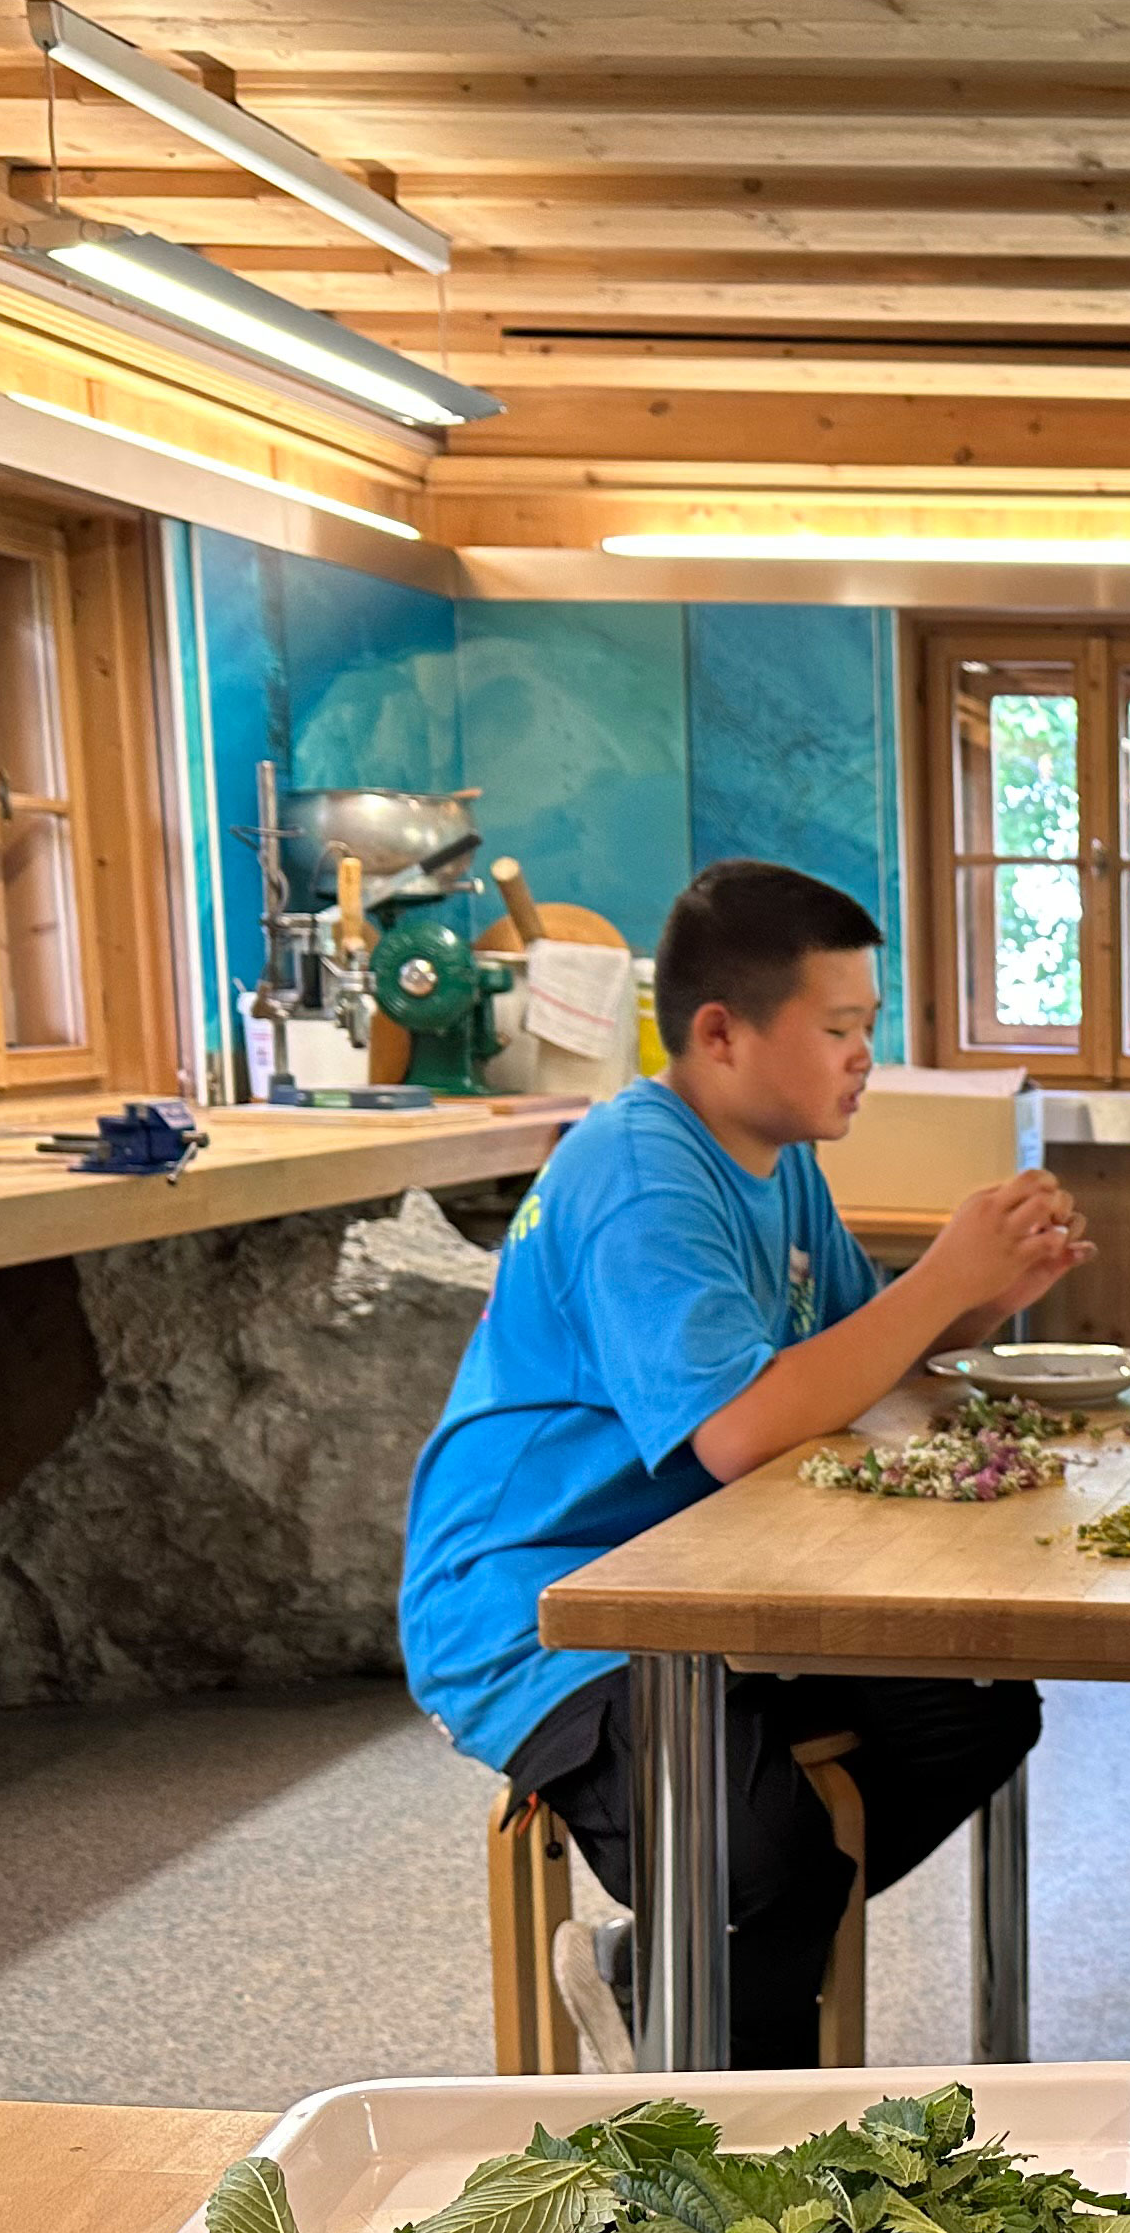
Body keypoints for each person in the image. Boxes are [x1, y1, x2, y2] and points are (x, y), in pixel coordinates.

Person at [400, 859, 1091, 2068]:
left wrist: (981, 1298)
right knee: (759, 1855)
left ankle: (671, 1970)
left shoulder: (781, 1162)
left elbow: (854, 1363)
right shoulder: (639, 1172)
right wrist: (943, 1276)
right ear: (721, 1033)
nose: (864, 1057)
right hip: (548, 1602)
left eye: (869, 1027)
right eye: (839, 1029)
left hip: (717, 1570)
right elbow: (737, 1429)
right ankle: (715, 2061)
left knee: (977, 1713)